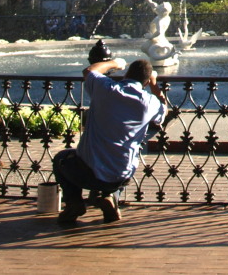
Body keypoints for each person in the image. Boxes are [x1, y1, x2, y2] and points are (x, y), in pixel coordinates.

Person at [53, 57, 166, 225]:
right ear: (147, 81)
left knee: (61, 158)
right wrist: (155, 86)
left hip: (87, 172)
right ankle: (109, 198)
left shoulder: (106, 88)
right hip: (122, 175)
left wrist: (114, 63)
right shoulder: (150, 102)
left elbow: (89, 71)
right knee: (117, 160)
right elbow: (163, 112)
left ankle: (74, 203)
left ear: (126, 73)